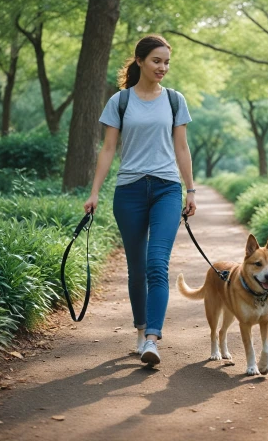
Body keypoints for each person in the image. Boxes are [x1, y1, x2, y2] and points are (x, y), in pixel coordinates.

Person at [84, 34, 196, 367]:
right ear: (140, 61)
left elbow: (182, 148)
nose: (162, 68)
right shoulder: (120, 101)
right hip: (129, 191)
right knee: (136, 269)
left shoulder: (175, 100)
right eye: (156, 61)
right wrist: (94, 193)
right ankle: (140, 329)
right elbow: (107, 150)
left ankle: (152, 339)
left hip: (165, 189)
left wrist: (190, 189)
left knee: (156, 264)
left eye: (166, 62)